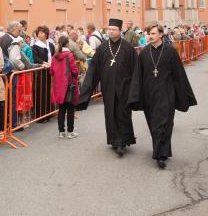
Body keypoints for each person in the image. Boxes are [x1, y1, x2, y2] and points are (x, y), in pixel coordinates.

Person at [128, 25, 197, 168]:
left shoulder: (170, 51)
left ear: (161, 34)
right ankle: (159, 149)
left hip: (167, 94)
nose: (150, 36)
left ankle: (161, 155)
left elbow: (179, 75)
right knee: (154, 124)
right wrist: (135, 95)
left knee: (165, 123)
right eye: (148, 34)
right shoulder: (144, 53)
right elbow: (137, 77)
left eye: (153, 33)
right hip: (149, 96)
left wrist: (184, 95)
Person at [78, 18, 138, 157]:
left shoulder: (128, 48)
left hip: (125, 87)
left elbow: (136, 70)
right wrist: (85, 93)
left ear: (120, 31)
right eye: (109, 29)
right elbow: (93, 70)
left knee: (123, 113)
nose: (110, 32)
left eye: (114, 30)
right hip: (108, 87)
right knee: (110, 113)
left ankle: (123, 140)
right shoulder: (103, 48)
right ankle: (115, 141)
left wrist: (135, 91)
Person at [50, 36, 79, 139]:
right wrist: (77, 75)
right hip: (69, 84)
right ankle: (70, 132)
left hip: (58, 85)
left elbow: (51, 71)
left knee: (61, 109)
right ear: (67, 44)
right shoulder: (69, 55)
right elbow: (74, 70)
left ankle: (61, 132)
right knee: (70, 109)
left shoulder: (55, 56)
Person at [32, 26, 55, 122]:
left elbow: (53, 55)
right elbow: (35, 57)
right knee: (40, 92)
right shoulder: (35, 45)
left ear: (46, 34)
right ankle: (40, 115)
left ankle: (48, 113)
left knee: (48, 91)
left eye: (42, 33)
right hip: (41, 71)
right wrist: (43, 63)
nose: (40, 35)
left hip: (49, 70)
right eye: (39, 33)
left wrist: (51, 63)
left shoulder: (50, 45)